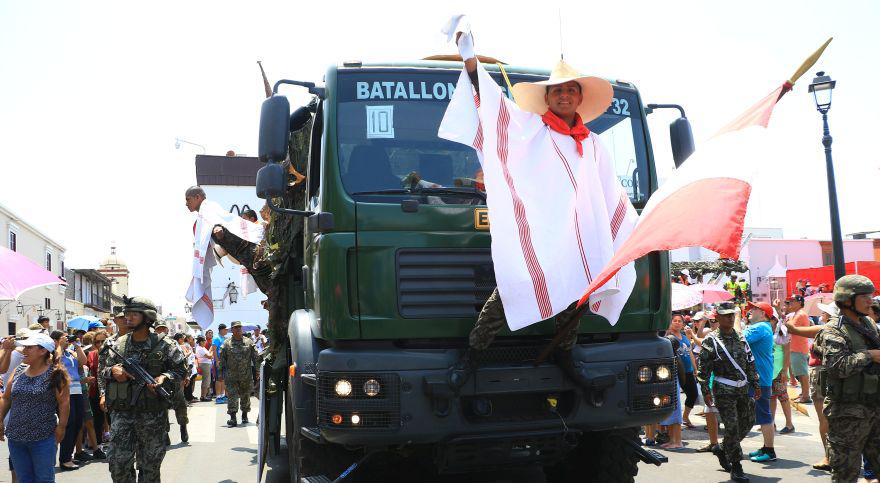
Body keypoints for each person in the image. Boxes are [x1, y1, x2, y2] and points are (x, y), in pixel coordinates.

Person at [443, 17, 634, 393]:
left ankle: (566, 357)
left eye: (570, 90)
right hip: (541, 231)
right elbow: (492, 105)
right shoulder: (531, 130)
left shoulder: (593, 144)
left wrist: (629, 228)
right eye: (556, 91)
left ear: (579, 97)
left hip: (577, 236)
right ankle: (472, 358)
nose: (563, 95)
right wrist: (470, 58)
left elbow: (610, 192)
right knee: (508, 292)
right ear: (547, 98)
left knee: (576, 298)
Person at [101, 296, 187, 483]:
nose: (128, 318)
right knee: (118, 465)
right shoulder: (119, 344)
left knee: (150, 469)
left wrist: (165, 377)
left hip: (152, 416)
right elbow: (104, 371)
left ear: (147, 317)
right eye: (127, 314)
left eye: (134, 314)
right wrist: (113, 371)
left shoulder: (166, 345)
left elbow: (181, 370)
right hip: (122, 415)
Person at [816, 275, 880, 483]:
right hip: (848, 414)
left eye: (871, 295)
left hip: (874, 407)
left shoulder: (868, 324)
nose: (871, 300)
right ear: (847, 300)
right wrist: (869, 355)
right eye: (865, 296)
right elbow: (837, 367)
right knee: (845, 474)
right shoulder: (833, 330)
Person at [697, 302, 760, 483]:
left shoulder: (740, 337)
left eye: (732, 315)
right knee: (731, 427)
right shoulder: (712, 340)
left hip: (742, 387)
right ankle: (737, 466)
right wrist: (706, 391)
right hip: (723, 388)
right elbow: (703, 370)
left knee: (748, 421)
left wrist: (755, 383)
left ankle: (724, 448)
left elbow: (749, 361)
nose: (731, 318)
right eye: (726, 315)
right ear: (717, 318)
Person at [0, 332, 70, 483]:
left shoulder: (56, 373)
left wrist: (62, 427)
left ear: (43, 350)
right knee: (24, 479)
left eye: (29, 348)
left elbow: (64, 402)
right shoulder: (19, 370)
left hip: (43, 437)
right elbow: (6, 398)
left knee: (44, 479)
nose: (24, 351)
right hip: (16, 437)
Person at [788, 301, 836, 472]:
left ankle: (828, 457)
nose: (822, 315)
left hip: (822, 373)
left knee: (824, 417)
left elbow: (793, 330)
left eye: (825, 313)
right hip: (835, 376)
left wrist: (781, 314)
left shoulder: (826, 329)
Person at [741, 302, 787, 464]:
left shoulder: (760, 327)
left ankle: (769, 450)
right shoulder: (764, 327)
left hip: (758, 378)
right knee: (761, 413)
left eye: (754, 309)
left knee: (763, 415)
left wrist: (733, 321)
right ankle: (766, 447)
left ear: (763, 313)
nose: (750, 311)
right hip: (760, 377)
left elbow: (738, 337)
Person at [53, 330, 88, 470]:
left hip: (77, 390)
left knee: (78, 423)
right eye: (64, 338)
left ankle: (68, 455)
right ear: (56, 340)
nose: (67, 340)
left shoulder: (70, 353)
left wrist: (77, 345)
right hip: (64, 391)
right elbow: (55, 360)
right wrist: (59, 345)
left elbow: (83, 362)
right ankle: (65, 459)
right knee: (69, 423)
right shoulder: (54, 352)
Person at [219, 321, 258, 427]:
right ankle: (233, 417)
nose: (238, 329)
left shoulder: (249, 342)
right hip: (231, 376)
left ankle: (245, 415)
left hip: (246, 375)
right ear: (232, 330)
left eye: (239, 327)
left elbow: (255, 358)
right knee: (232, 396)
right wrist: (220, 373)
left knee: (245, 396)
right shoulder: (227, 343)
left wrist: (258, 371)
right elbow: (222, 359)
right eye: (235, 328)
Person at [669, 315, 698, 428]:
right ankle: (674, 423)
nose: (677, 323)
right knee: (674, 398)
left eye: (679, 321)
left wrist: (695, 368)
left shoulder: (685, 337)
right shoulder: (668, 337)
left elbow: (690, 353)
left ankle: (685, 417)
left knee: (693, 394)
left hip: (688, 371)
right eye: (674, 321)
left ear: (683, 324)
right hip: (675, 372)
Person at [658, 335, 686, 449]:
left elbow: (681, 378)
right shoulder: (671, 357)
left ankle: (678, 441)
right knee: (670, 415)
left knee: (676, 416)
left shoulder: (675, 359)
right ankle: (672, 440)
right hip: (670, 389)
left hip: (673, 388)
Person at [785, 293, 812, 403]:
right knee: (800, 373)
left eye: (793, 301)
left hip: (799, 348)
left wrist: (787, 322)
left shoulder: (800, 314)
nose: (790, 303)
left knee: (802, 373)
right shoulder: (796, 313)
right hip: (796, 347)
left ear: (799, 302)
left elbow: (789, 327)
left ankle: (806, 396)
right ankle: (803, 393)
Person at [195, 335, 213, 401]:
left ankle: (204, 395)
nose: (205, 342)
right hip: (205, 365)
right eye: (204, 341)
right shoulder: (200, 348)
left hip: (206, 364)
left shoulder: (201, 348)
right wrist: (212, 350)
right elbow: (209, 356)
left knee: (206, 380)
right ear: (201, 342)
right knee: (206, 381)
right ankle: (203, 396)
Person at [213, 324, 228, 404]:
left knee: (223, 379)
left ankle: (222, 396)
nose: (226, 331)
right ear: (221, 330)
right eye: (225, 329)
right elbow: (214, 350)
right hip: (219, 361)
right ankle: (218, 397)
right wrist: (217, 361)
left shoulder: (224, 338)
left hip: (224, 361)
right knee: (219, 380)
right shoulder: (216, 338)